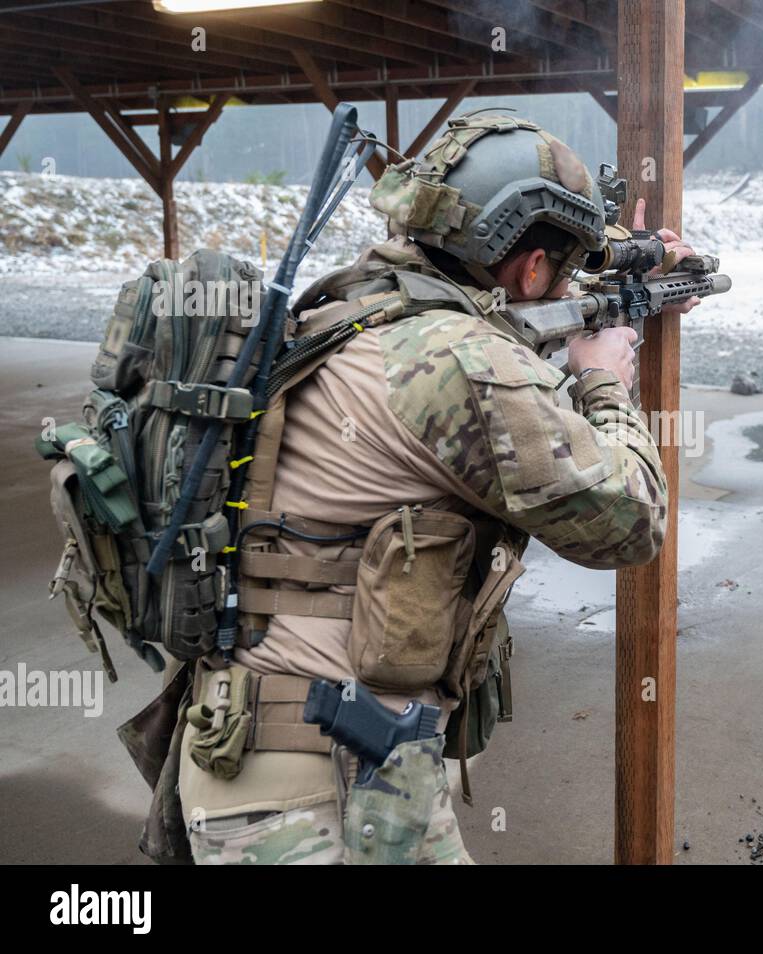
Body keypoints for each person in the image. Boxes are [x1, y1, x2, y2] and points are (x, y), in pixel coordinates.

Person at [178, 112, 698, 864]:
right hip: (312, 801)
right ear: (528, 269)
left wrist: (617, 286)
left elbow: (501, 335)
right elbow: (630, 521)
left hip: (282, 753)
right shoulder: (465, 363)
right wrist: (601, 381)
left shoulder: (356, 301)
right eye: (559, 265)